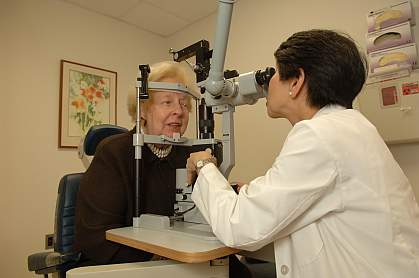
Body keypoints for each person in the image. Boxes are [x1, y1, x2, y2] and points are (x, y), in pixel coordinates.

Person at [186, 29, 419, 278]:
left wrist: (204, 166)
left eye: (274, 72)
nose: (268, 83)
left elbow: (240, 226)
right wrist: (251, 193)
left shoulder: (319, 135)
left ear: (296, 82)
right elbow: (313, 195)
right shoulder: (348, 128)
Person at [73, 61, 251, 277]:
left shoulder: (188, 154)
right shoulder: (114, 152)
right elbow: (96, 237)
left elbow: (202, 213)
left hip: (185, 254)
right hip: (135, 262)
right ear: (143, 111)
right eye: (167, 102)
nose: (179, 111)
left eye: (184, 104)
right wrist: (161, 258)